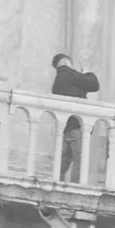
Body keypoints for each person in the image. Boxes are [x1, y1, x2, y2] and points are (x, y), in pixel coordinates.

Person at [49, 52, 98, 182]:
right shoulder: (69, 73)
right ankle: (75, 189)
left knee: (62, 164)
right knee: (79, 164)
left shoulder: (57, 82)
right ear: (65, 62)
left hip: (64, 128)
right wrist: (87, 72)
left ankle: (57, 189)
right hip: (77, 126)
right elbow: (94, 84)